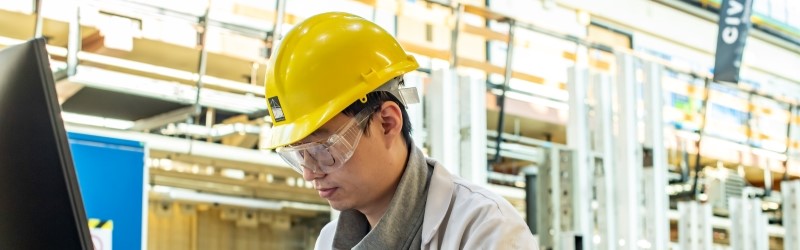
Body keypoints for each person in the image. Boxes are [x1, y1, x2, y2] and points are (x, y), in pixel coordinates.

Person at [263, 12, 537, 250]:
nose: (311, 172)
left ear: (387, 123)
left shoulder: (485, 230)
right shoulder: (328, 241)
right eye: (299, 155)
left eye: (322, 149)